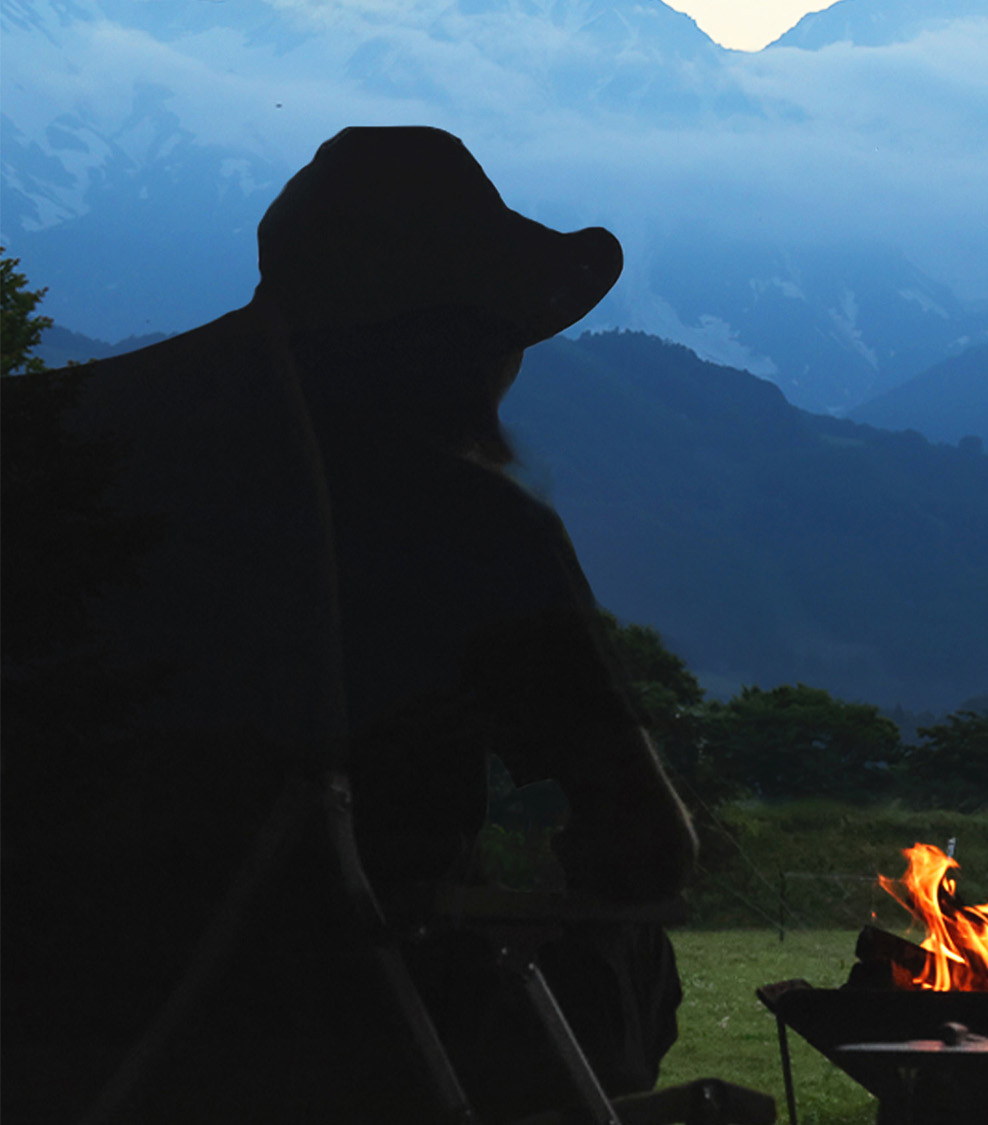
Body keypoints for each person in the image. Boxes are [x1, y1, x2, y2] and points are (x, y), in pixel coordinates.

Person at [1, 126, 696, 1121]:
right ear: (461, 341)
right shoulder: (464, 520)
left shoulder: (41, 444)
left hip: (40, 1017)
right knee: (629, 957)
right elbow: (644, 840)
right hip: (335, 1024)